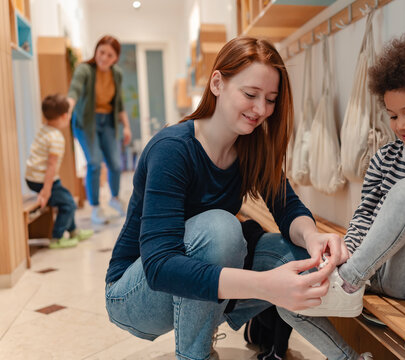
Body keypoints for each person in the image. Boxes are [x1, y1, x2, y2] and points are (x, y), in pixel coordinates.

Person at [105, 37, 353, 360]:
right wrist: (265, 286)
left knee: (294, 253)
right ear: (217, 83)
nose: (261, 110)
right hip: (134, 294)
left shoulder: (252, 146)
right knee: (221, 229)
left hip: (186, 281)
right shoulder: (172, 150)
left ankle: (345, 356)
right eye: (250, 95)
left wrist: (313, 236)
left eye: (271, 99)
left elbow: (286, 206)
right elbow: (159, 266)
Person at [277, 33, 405, 357]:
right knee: (288, 298)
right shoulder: (384, 157)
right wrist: (341, 258)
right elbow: (363, 216)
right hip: (370, 270)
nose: (400, 124)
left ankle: (346, 283)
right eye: (392, 115)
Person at [68, 35, 132, 225]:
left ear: (116, 59)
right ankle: (96, 207)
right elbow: (75, 89)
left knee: (115, 164)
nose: (104, 57)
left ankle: (114, 199)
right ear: (96, 51)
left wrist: (126, 126)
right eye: (101, 52)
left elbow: (119, 103)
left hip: (108, 123)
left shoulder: (116, 74)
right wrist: (69, 106)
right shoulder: (85, 70)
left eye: (110, 55)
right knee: (95, 163)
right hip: (87, 123)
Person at [25, 94, 94, 249]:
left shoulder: (44, 130)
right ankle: (57, 238)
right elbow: (51, 166)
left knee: (66, 198)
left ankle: (74, 230)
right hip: (42, 180)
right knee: (69, 204)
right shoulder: (56, 138)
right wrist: (46, 190)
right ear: (65, 116)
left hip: (32, 177)